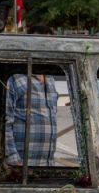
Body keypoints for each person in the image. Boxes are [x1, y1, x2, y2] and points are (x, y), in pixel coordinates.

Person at [5, 32, 61, 169]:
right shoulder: (15, 78)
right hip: (22, 166)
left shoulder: (50, 78)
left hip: (47, 165)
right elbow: (5, 121)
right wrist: (14, 160)